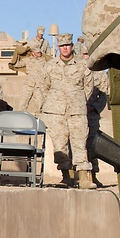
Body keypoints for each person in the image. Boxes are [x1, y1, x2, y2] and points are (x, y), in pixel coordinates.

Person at [39, 33, 94, 188]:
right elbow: (44, 87)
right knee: (60, 145)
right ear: (58, 47)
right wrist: (50, 104)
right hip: (55, 111)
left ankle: (83, 178)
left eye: (68, 45)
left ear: (71, 46)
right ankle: (66, 177)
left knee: (79, 142)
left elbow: (88, 87)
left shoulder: (82, 65)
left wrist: (79, 101)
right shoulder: (50, 66)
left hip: (76, 110)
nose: (65, 48)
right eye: (62, 46)